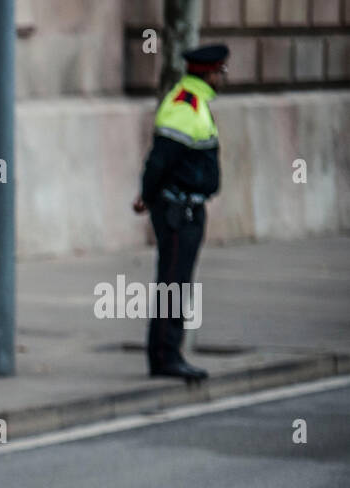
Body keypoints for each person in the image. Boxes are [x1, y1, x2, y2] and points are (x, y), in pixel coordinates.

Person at [133, 43, 230, 383]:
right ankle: (165, 355)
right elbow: (161, 158)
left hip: (186, 208)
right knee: (173, 283)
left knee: (177, 282)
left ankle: (169, 353)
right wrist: (146, 194)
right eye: (222, 72)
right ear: (209, 73)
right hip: (179, 210)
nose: (224, 78)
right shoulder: (184, 106)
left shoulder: (195, 102)